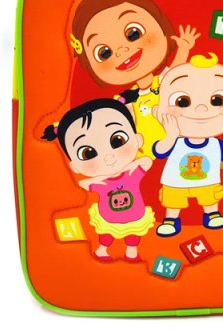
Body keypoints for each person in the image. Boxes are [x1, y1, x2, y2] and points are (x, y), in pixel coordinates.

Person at [70, 0, 200, 158]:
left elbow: (174, 71)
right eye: (104, 53)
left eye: (133, 34)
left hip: (181, 147)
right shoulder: (126, 100)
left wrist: (183, 49)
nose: (122, 51)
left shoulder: (163, 82)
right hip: (147, 155)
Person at [42, 98, 155, 262]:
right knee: (106, 235)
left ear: (137, 139)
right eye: (88, 153)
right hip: (109, 217)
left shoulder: (132, 174)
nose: (108, 157)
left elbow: (146, 161)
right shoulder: (105, 182)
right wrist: (103, 178)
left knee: (133, 235)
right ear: (75, 166)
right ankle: (102, 250)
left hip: (134, 215)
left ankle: (131, 252)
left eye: (117, 140)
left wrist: (125, 168)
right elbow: (83, 183)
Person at [151, 53, 223, 237]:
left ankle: (212, 214)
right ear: (157, 112)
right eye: (182, 102)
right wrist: (171, 135)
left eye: (217, 101)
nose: (201, 109)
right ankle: (171, 220)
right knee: (173, 199)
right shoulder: (175, 141)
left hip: (207, 181)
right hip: (175, 182)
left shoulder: (214, 143)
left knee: (209, 196)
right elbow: (159, 151)